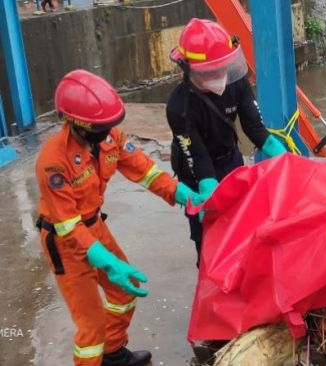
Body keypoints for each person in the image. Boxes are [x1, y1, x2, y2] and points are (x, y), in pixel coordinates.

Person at [35, 69, 200, 366]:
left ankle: (113, 354)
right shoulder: (53, 163)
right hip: (65, 243)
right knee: (91, 327)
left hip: (95, 225)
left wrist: (180, 193)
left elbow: (144, 170)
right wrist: (108, 262)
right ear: (78, 125)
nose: (109, 130)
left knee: (124, 293)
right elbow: (68, 225)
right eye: (102, 126)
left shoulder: (110, 138)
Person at [166, 18, 287, 263]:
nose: (220, 75)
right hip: (195, 169)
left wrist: (285, 160)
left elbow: (255, 128)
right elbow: (198, 158)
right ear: (188, 68)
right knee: (209, 234)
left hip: (230, 159)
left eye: (223, 68)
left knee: (242, 226)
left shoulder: (237, 83)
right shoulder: (179, 107)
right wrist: (210, 196)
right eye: (210, 71)